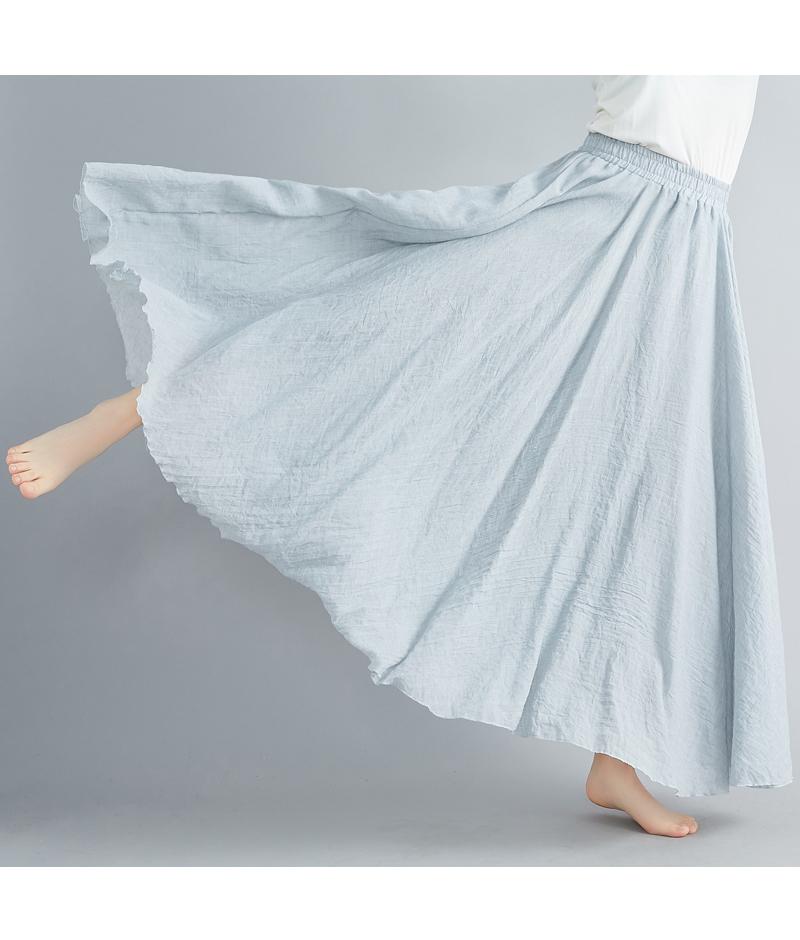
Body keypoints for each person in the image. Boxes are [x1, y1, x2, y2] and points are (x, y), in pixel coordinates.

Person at [7, 76, 792, 837]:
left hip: (690, 246)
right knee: (385, 327)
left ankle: (616, 759)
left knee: (650, 497)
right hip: (608, 212)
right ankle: (141, 405)